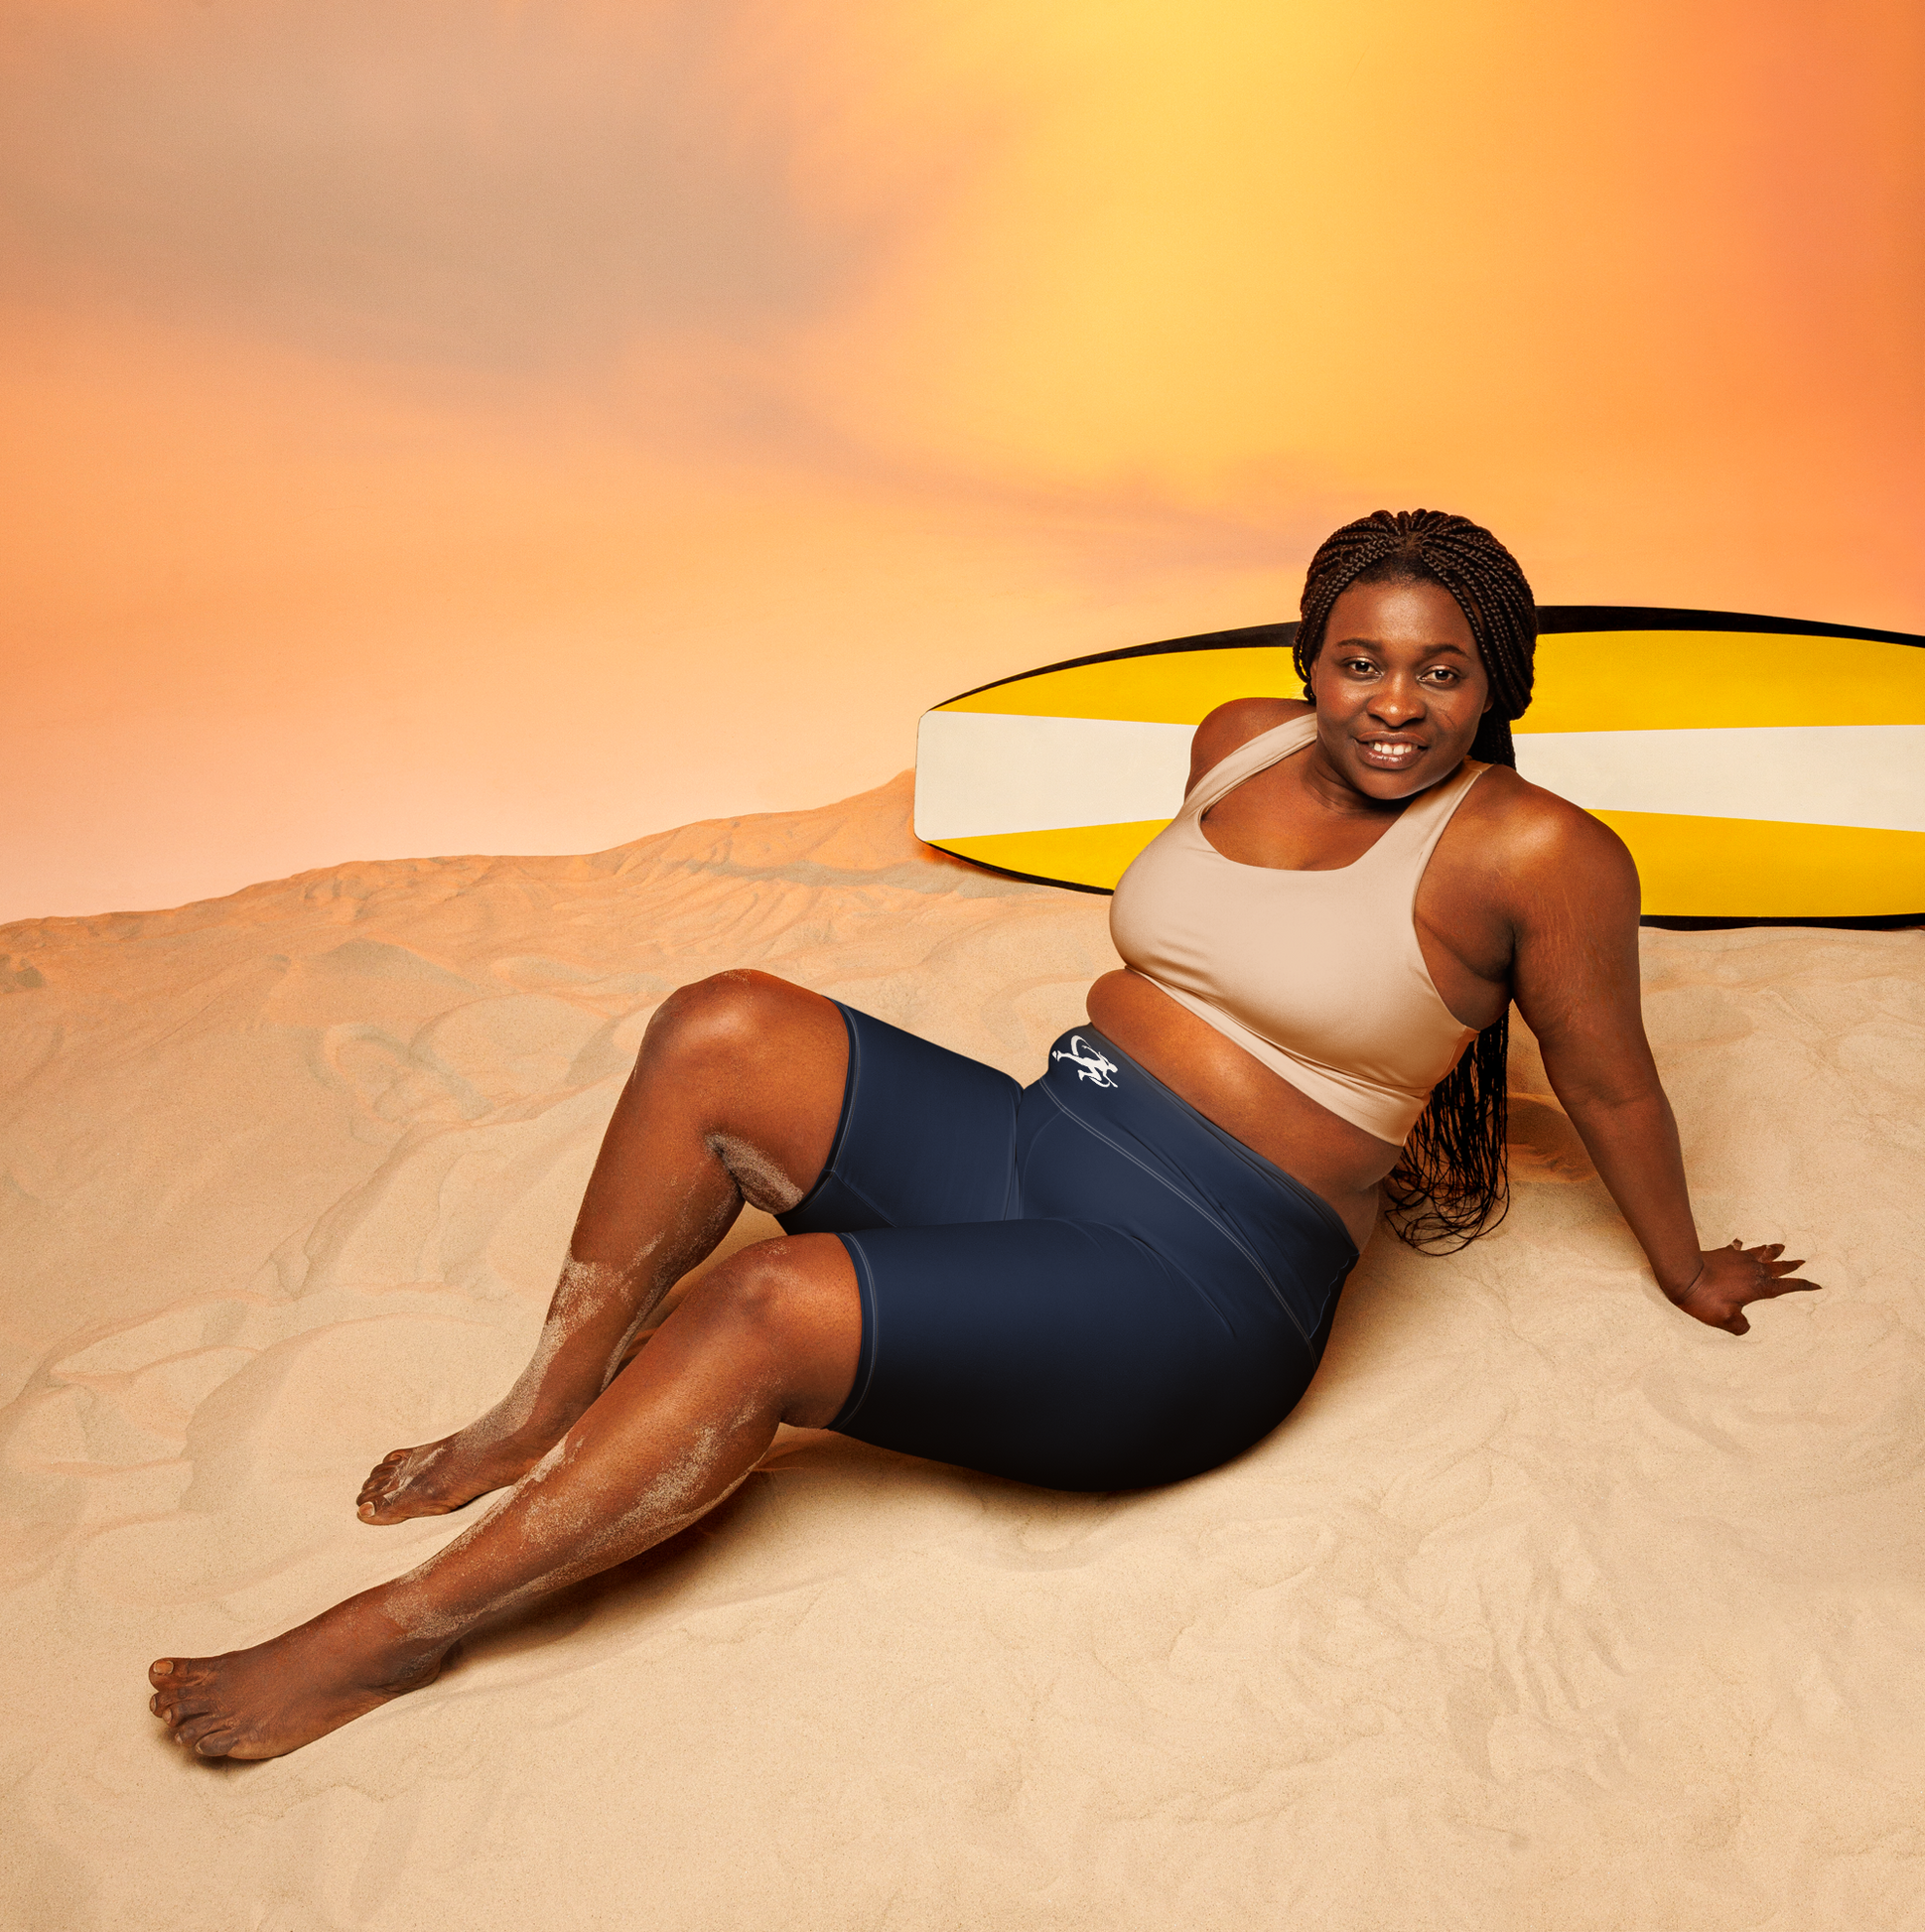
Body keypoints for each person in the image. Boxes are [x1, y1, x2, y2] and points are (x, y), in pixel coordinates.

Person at [148, 509, 1818, 1759]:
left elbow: (1610, 1084)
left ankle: (402, 1631)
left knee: (763, 1308)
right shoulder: (1238, 745)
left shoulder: (1541, 855)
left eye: (1440, 669)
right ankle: (538, 1410)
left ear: (1495, 682)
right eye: (1359, 660)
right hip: (1042, 1143)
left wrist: (1684, 1267)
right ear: (1308, 660)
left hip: (1187, 1292)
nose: (1393, 703)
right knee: (723, 1018)